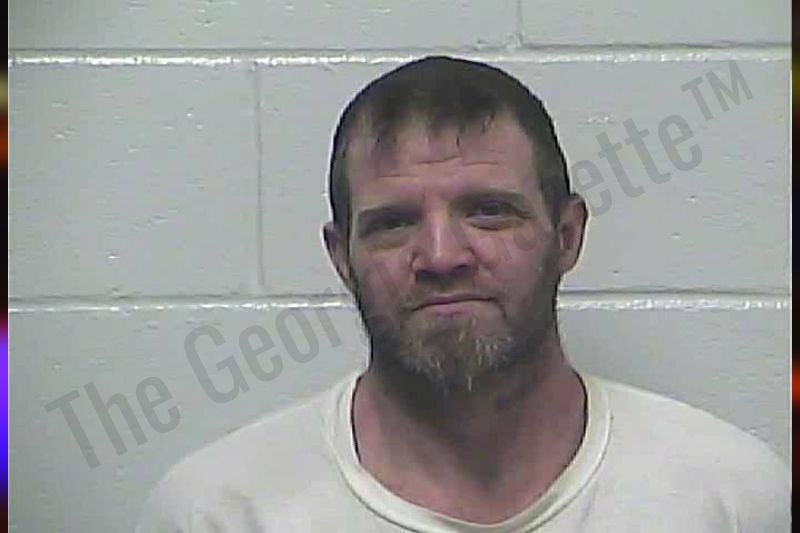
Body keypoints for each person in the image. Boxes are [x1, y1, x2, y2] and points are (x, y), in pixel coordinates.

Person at [135, 56, 791, 532]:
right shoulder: (219, 512)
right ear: (342, 259)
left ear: (566, 235)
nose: (442, 257)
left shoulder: (730, 497)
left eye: (489, 211)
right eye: (393, 223)